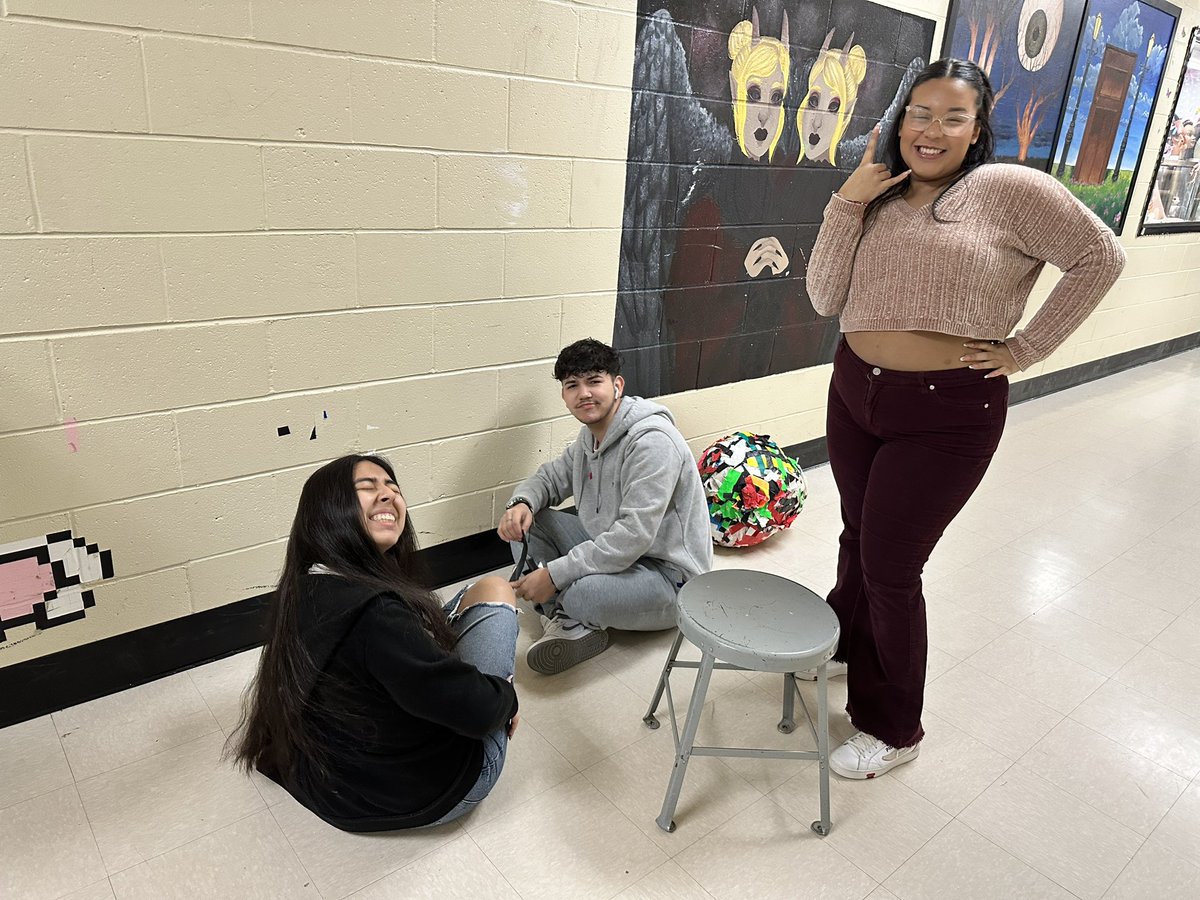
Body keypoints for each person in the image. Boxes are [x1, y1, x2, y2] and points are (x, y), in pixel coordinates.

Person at [805, 59, 1125, 779]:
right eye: (921, 112)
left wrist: (1029, 347)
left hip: (948, 412)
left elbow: (1099, 257)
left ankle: (893, 728)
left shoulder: (1009, 190)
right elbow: (826, 298)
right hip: (855, 390)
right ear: (900, 120)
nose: (933, 130)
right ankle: (846, 642)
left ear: (978, 128)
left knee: (891, 566)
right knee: (858, 536)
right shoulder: (877, 194)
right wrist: (846, 202)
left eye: (954, 117)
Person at [230, 454, 519, 830]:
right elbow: (478, 714)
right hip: (426, 795)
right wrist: (506, 697)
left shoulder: (306, 584)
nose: (388, 496)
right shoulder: (377, 615)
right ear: (328, 511)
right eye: (367, 488)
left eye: (393, 488)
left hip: (334, 787)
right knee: (495, 588)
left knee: (469, 595)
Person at [498, 338, 713, 675]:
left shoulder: (652, 441)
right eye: (573, 385)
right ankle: (566, 618)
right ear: (564, 395)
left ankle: (572, 609)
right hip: (617, 555)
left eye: (594, 381)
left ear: (617, 385)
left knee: (584, 593)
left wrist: (555, 574)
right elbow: (550, 479)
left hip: (669, 579)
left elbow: (632, 537)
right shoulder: (590, 438)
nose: (583, 393)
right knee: (526, 524)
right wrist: (520, 503)